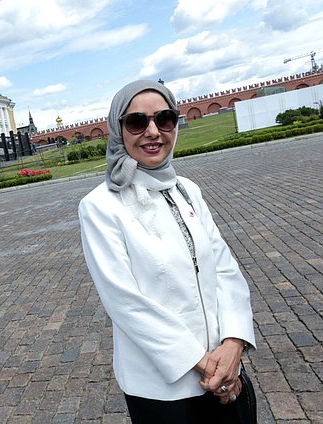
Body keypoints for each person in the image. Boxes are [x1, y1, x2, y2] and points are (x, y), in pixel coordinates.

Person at [78, 80, 256, 423]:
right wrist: (207, 365)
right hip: (162, 389)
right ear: (118, 130)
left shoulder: (186, 189)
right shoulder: (100, 206)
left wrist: (233, 345)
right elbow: (126, 302)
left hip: (223, 369)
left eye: (164, 119)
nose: (152, 131)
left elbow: (224, 268)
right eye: (136, 122)